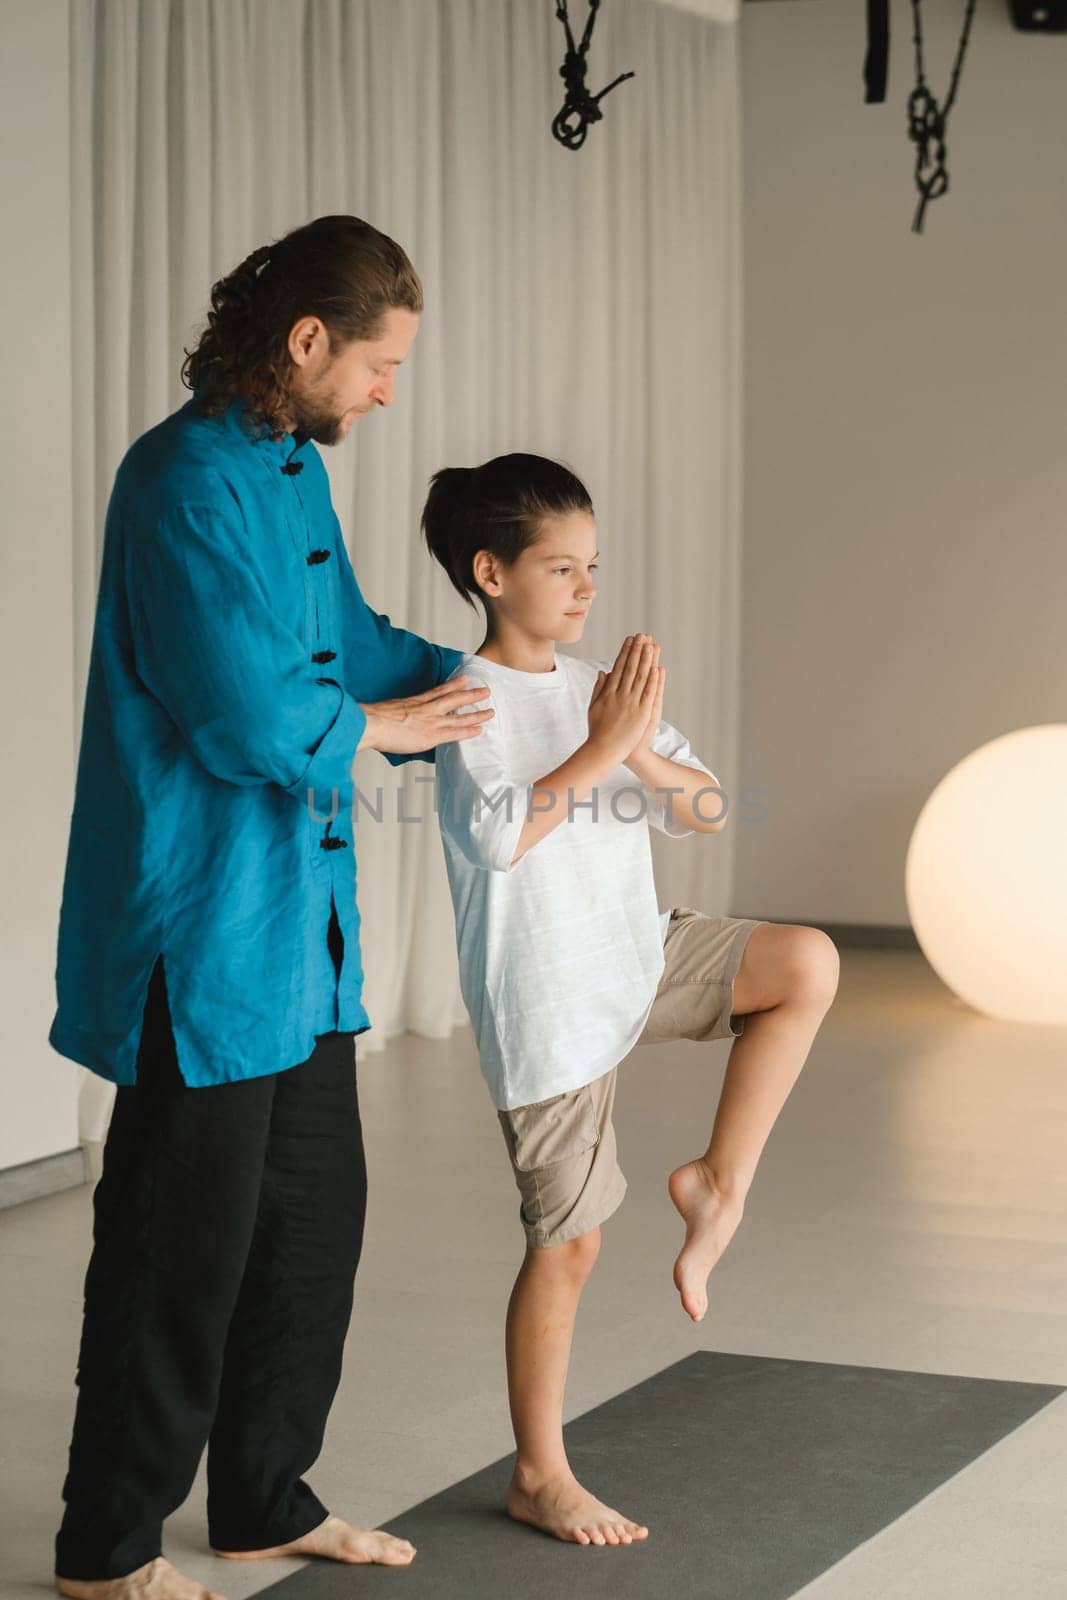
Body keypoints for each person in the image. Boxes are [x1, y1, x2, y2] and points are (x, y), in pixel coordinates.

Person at [47, 215, 495, 1600]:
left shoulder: (291, 467)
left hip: (304, 935)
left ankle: (258, 1502)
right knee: (177, 1252)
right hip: (205, 931)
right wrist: (393, 730)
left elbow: (343, 645)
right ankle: (107, 1551)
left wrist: (494, 680)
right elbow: (248, 711)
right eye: (378, 363)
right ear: (306, 341)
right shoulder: (181, 481)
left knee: (309, 1231)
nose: (385, 392)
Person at [424, 453, 841, 1549]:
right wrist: (601, 745)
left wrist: (636, 747)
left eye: (591, 566)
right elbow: (499, 836)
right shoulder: (463, 703)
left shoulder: (602, 679)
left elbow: (703, 809)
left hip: (637, 953)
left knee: (803, 963)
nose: (583, 587)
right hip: (545, 995)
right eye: (559, 566)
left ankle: (715, 1183)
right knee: (567, 1246)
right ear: (489, 571)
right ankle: (537, 1471)